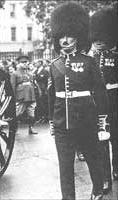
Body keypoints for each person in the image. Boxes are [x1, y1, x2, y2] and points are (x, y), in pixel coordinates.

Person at [48, 2, 109, 200]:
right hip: (61, 124)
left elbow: (100, 92)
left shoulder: (89, 62)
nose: (65, 40)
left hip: (86, 120)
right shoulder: (54, 65)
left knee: (93, 158)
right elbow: (52, 96)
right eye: (61, 36)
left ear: (78, 36)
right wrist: (52, 121)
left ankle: (98, 189)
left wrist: (102, 121)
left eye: (70, 36)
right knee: (65, 167)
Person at [90, 6, 118, 194]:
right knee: (101, 140)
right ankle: (105, 178)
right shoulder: (91, 56)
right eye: (96, 39)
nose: (99, 42)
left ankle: (116, 168)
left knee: (116, 138)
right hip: (98, 102)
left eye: (102, 39)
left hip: (115, 99)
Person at [11, 55, 38, 134]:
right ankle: (14, 129)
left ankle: (31, 128)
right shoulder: (15, 74)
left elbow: (33, 83)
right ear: (18, 64)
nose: (25, 64)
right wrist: (13, 97)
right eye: (23, 62)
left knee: (31, 113)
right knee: (18, 113)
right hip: (21, 96)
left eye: (26, 62)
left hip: (31, 95)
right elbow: (12, 86)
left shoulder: (30, 73)